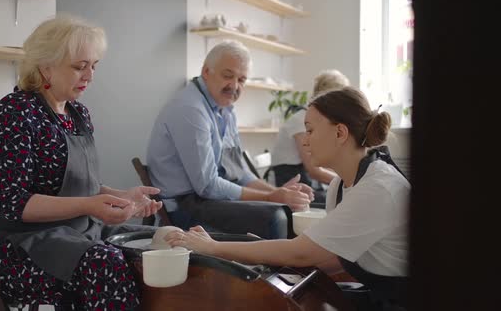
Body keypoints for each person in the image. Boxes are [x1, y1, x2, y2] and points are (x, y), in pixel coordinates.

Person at [166, 87, 410, 310]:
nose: (305, 140)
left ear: (340, 132)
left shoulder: (377, 187)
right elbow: (333, 257)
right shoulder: (339, 185)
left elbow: (301, 253)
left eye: (311, 130)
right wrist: (267, 268)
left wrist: (214, 248)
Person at [0, 15, 162, 310]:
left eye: (94, 65)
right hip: (23, 246)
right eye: (80, 67)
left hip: (78, 232)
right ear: (46, 65)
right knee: (107, 262)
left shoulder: (78, 114)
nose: (90, 76)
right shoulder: (14, 112)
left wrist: (121, 196)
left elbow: (81, 186)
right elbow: (15, 203)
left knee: (160, 243)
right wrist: (90, 206)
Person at [146, 40, 313, 239]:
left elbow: (240, 173)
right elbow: (207, 186)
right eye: (228, 76)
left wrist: (278, 193)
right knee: (276, 215)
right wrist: (270, 197)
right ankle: (277, 270)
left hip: (208, 200)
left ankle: (288, 268)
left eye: (242, 80)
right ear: (206, 71)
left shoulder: (225, 110)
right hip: (184, 207)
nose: (234, 86)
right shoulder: (191, 110)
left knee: (287, 208)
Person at [269, 69, 350, 208]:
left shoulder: (316, 119)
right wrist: (348, 183)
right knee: (342, 201)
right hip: (292, 183)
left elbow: (323, 164)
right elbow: (314, 170)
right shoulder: (301, 120)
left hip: (307, 180)